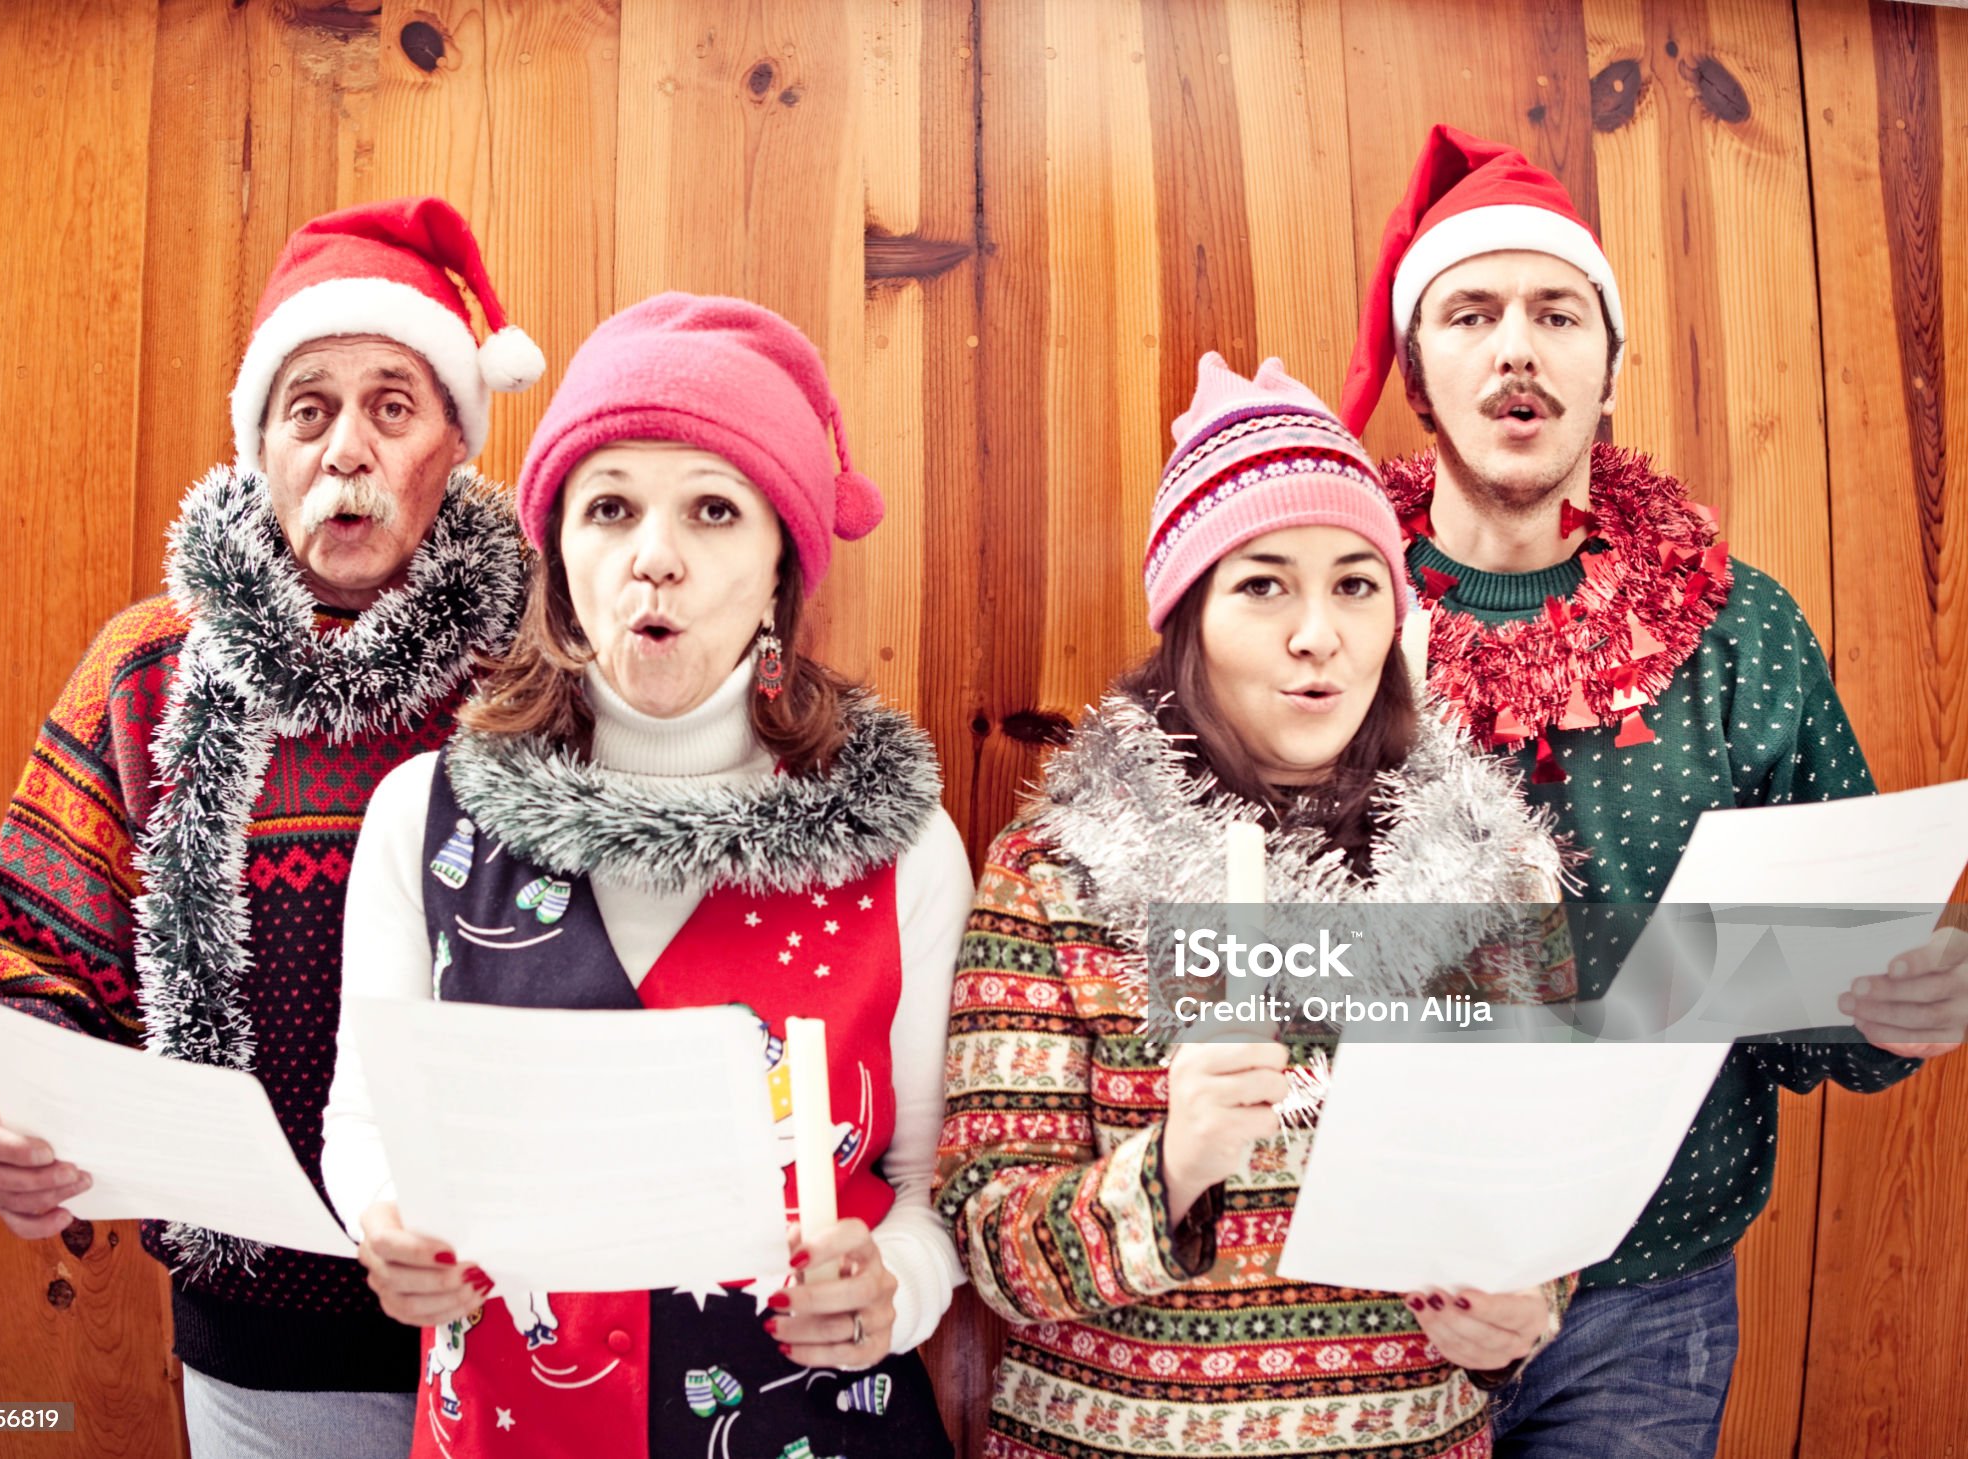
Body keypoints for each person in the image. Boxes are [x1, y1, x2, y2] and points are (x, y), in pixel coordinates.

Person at [1336, 124, 1968, 1458]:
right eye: (1473, 311)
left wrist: (1901, 998)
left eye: (1558, 312)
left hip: (1649, 1295)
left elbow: (1818, 1003)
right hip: (1355, 1284)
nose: (1518, 345)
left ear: (1607, 366)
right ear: (1418, 368)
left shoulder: (1745, 632)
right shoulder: (1310, 610)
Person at [321, 292, 969, 1459]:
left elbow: (924, 1186)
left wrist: (896, 1290)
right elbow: (367, 1119)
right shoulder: (421, 817)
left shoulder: (901, 846)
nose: (653, 558)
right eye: (609, 507)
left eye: (713, 511)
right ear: (560, 550)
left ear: (782, 564)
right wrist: (383, 1223)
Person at [0, 197, 543, 1456]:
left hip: (531, 1317)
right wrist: (16, 1116)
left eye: (394, 404)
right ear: (259, 448)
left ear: (455, 444)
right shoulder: (148, 672)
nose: (347, 450)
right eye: (308, 408)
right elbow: (28, 958)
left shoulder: (546, 669)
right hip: (261, 1338)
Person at [934, 353, 1576, 1458]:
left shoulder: (1493, 867)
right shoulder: (1060, 870)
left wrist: (1522, 1316)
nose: (1315, 633)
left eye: (1353, 582)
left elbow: (1546, 1188)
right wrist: (1173, 1162)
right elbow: (991, 1251)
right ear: (1187, 619)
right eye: (1262, 581)